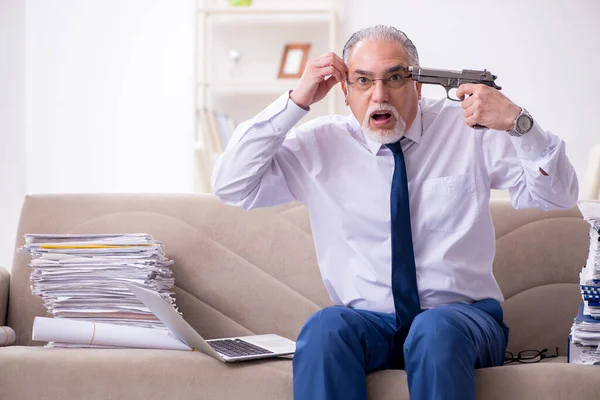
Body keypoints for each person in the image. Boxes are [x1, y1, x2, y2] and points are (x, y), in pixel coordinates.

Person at [211, 25, 578, 400]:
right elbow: (231, 185)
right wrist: (295, 102)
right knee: (325, 328)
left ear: (417, 86)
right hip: (369, 323)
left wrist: (520, 125)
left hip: (460, 321)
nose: (379, 95)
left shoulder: (470, 130)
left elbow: (560, 196)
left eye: (395, 78)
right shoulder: (320, 145)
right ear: (345, 90)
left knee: (433, 331)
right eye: (364, 81)